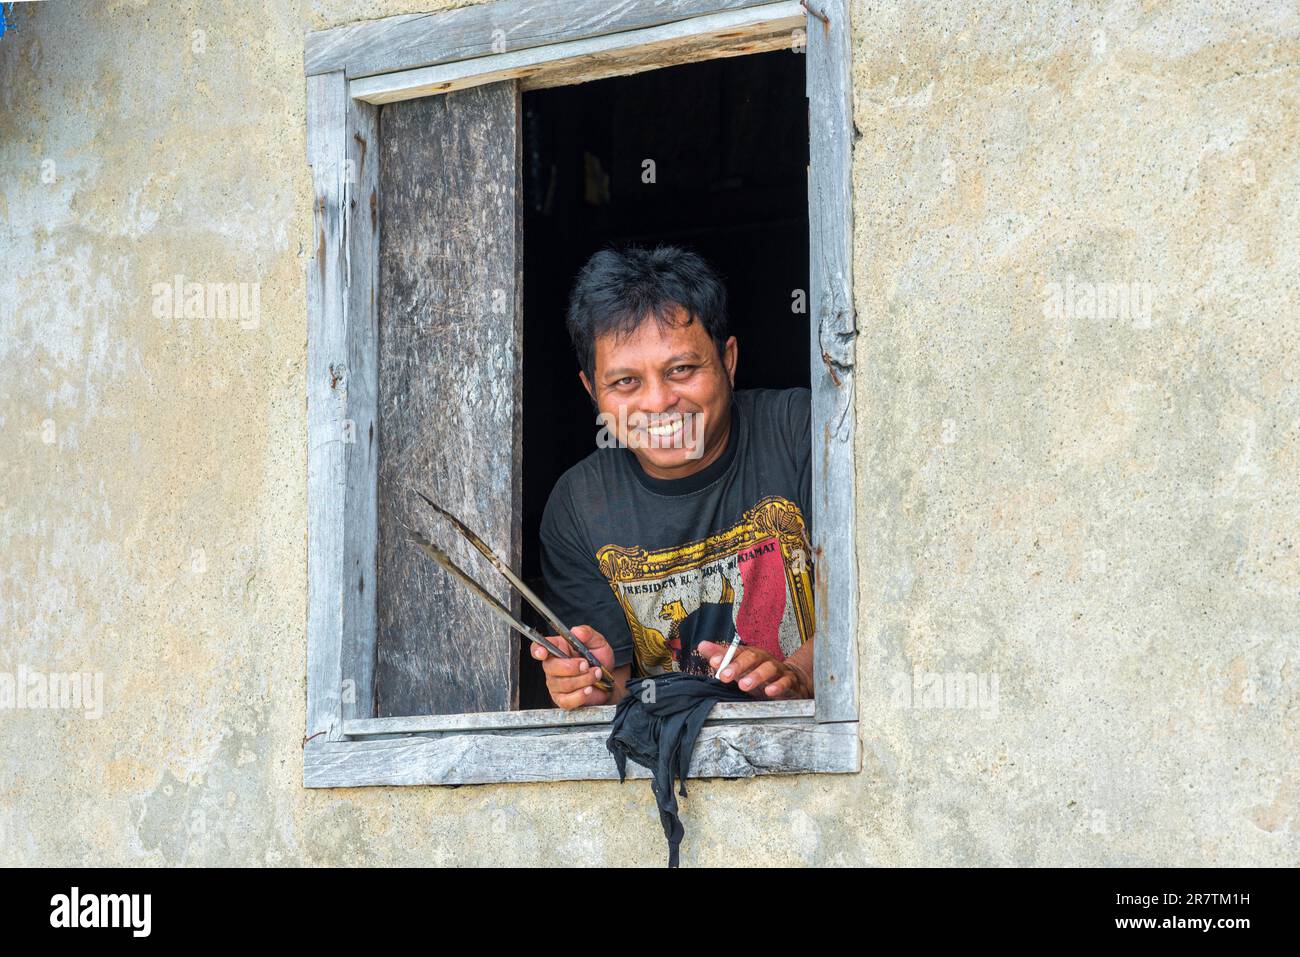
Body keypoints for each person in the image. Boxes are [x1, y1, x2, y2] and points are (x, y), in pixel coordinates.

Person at [535, 245, 816, 709]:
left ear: (728, 360)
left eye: (681, 369)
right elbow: (617, 690)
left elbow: (875, 602)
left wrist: (800, 673)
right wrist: (589, 683)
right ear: (591, 389)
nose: (659, 401)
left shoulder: (802, 432)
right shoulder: (579, 506)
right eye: (625, 382)